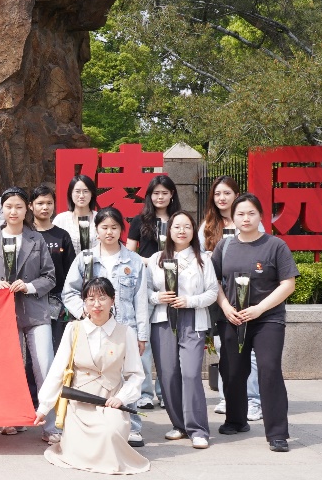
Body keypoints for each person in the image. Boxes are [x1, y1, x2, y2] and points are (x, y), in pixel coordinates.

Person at [35, 277, 150, 475]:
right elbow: (57, 370)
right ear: (84, 302)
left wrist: (121, 398)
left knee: (109, 434)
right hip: (78, 405)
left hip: (110, 403)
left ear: (112, 300)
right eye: (90, 299)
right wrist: (43, 408)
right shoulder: (73, 329)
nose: (96, 304)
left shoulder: (126, 333)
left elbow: (136, 375)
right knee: (81, 448)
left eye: (102, 298)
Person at [213, 193, 298, 452]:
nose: (246, 218)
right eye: (240, 214)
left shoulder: (275, 245)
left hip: (267, 319)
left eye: (251, 213)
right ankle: (236, 420)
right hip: (233, 318)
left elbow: (288, 284)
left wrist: (259, 309)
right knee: (232, 370)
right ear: (233, 217)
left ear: (261, 216)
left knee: (269, 369)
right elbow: (213, 282)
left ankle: (277, 433)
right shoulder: (224, 246)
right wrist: (226, 307)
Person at [61, 207, 150, 448]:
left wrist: (142, 335)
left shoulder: (133, 260)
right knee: (100, 375)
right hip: (94, 328)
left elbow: (141, 299)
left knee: (128, 374)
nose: (109, 232)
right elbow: (69, 291)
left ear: (121, 229)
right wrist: (84, 312)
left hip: (126, 327)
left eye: (114, 227)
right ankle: (95, 422)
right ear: (96, 230)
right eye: (104, 227)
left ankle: (132, 427)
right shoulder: (86, 258)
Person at [0, 188, 58, 436]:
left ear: (27, 210)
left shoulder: (37, 239)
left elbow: (50, 276)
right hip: (4, 314)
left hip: (35, 311)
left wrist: (29, 286)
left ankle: (51, 426)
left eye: (19, 207)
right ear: (1, 209)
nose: (13, 211)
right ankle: (12, 418)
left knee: (44, 367)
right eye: (8, 207)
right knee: (10, 368)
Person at [143, 210, 218, 449]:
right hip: (163, 321)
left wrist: (190, 301)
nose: (182, 231)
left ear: (193, 231)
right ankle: (179, 424)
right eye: (177, 227)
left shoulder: (203, 259)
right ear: (169, 231)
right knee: (168, 374)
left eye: (187, 226)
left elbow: (212, 292)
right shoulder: (156, 259)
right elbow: (145, 291)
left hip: (192, 319)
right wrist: (158, 297)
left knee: (191, 373)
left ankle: (198, 429)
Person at [200, 176, 263, 421]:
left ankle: (253, 400)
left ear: (236, 195)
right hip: (219, 295)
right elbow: (195, 256)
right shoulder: (207, 225)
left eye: (227, 193)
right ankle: (228, 398)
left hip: (247, 295)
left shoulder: (249, 222)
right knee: (223, 349)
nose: (222, 198)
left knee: (251, 351)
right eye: (217, 194)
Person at [124, 175, 178, 413]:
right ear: (149, 195)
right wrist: (151, 261)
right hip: (145, 281)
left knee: (168, 343)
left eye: (164, 193)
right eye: (156, 193)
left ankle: (165, 392)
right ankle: (145, 393)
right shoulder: (140, 220)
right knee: (143, 340)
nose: (160, 197)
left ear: (172, 194)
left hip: (174, 283)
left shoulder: (178, 220)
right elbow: (130, 252)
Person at [29, 184, 76, 363]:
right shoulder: (26, 234)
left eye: (49, 203)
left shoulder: (62, 235)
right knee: (33, 352)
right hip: (31, 298)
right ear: (30, 206)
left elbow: (71, 271)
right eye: (40, 203)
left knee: (57, 349)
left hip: (58, 300)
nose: (45, 207)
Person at [53, 174, 99, 252]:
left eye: (85, 191)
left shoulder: (100, 218)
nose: (81, 196)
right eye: (77, 191)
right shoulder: (61, 219)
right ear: (70, 194)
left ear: (92, 194)